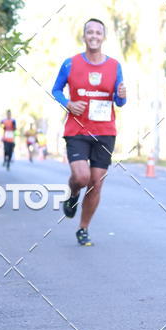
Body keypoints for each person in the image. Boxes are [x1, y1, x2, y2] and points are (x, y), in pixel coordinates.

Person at [52, 17, 126, 246]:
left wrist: (122, 96)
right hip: (77, 129)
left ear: (103, 37)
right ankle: (73, 194)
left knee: (96, 182)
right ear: (84, 36)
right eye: (90, 32)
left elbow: (119, 101)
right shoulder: (70, 64)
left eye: (98, 33)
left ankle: (83, 228)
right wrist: (68, 103)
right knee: (82, 177)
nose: (94, 36)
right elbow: (56, 90)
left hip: (104, 131)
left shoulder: (114, 66)